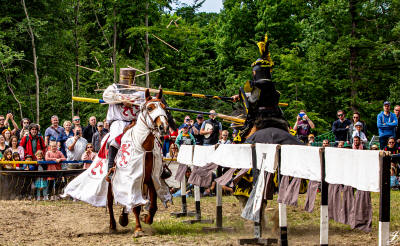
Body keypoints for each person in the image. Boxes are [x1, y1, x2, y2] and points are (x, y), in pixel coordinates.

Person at [103, 68, 145, 175]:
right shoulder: (114, 88)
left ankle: (159, 167)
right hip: (118, 121)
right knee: (115, 138)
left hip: (135, 122)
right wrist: (122, 100)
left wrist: (135, 102)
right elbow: (106, 96)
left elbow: (148, 102)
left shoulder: (140, 91)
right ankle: (110, 166)